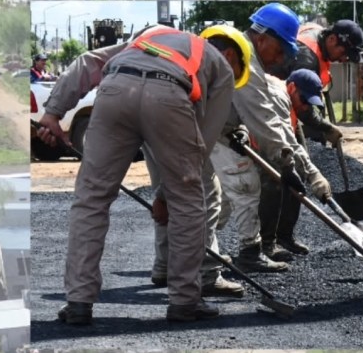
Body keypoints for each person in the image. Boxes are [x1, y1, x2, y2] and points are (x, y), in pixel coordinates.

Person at [35, 23, 250, 325]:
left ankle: (78, 302)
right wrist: (168, 194)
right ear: (232, 56)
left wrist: (53, 113)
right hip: (169, 96)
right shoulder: (223, 70)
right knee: (189, 203)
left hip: (115, 90)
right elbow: (199, 152)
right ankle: (185, 301)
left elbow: (88, 62)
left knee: (91, 199)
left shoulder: (150, 36)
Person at [209, 3, 332, 272]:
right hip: (203, 128)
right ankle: (248, 253)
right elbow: (266, 123)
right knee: (245, 183)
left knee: (209, 197)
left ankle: (180, 260)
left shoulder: (252, 63)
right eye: (278, 51)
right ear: (262, 38)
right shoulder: (246, 62)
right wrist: (287, 164)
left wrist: (311, 174)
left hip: (206, 127)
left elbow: (279, 128)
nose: (279, 60)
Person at [259, 20, 363, 262]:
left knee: (299, 172)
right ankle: (266, 242)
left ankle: (284, 235)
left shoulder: (318, 37)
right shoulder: (306, 58)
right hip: (270, 116)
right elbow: (305, 108)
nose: (344, 59)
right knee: (277, 178)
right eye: (344, 52)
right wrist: (326, 127)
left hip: (288, 113)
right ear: (332, 39)